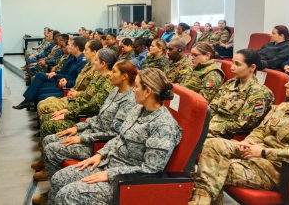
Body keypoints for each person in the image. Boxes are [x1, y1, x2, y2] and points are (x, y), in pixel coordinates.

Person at [48, 68, 182, 204]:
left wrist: (110, 174)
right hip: (108, 162)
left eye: (136, 86)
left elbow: (150, 170)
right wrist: (99, 155)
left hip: (124, 180)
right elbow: (119, 137)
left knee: (66, 195)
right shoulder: (138, 109)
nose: (133, 90)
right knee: (58, 178)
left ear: (147, 91)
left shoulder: (163, 126)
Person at [31, 60, 138, 204]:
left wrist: (81, 138)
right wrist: (77, 128)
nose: (110, 75)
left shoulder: (129, 100)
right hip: (90, 132)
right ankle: (55, 189)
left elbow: (114, 133)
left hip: (97, 142)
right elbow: (99, 117)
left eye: (114, 72)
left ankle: (54, 192)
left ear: (124, 77)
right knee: (49, 139)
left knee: (52, 149)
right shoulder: (115, 91)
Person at [189, 71, 289, 205]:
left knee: (215, 168)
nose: (286, 84)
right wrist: (249, 142)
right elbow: (261, 129)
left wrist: (263, 152)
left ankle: (200, 202)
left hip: (277, 169)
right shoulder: (284, 106)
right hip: (256, 152)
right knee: (213, 144)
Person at [38, 49, 117, 146]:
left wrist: (68, 114)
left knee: (48, 124)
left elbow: (92, 106)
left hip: (84, 117)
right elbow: (83, 98)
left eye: (96, 60)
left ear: (103, 64)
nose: (93, 62)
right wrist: (67, 109)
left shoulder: (108, 82)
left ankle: (48, 151)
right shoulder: (98, 77)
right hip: (78, 111)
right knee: (47, 117)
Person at [208, 49, 274, 139]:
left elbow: (245, 125)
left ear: (252, 67)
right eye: (233, 63)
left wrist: (212, 128)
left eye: (237, 64)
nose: (232, 67)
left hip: (226, 135)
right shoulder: (230, 83)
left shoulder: (259, 93)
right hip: (211, 126)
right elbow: (213, 107)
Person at [13, 37, 88, 109]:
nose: (68, 47)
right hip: (62, 80)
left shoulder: (82, 62)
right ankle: (29, 102)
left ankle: (29, 102)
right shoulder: (74, 58)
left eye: (70, 45)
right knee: (39, 80)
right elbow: (66, 72)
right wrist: (56, 73)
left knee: (41, 90)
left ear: (77, 48)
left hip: (66, 87)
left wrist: (62, 80)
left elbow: (77, 81)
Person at [36, 40, 102, 122]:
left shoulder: (96, 70)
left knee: (43, 105)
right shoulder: (87, 65)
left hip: (77, 100)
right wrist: (66, 81)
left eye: (86, 50)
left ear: (94, 52)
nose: (83, 52)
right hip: (72, 94)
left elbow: (90, 93)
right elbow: (77, 81)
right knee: (41, 101)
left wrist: (73, 90)